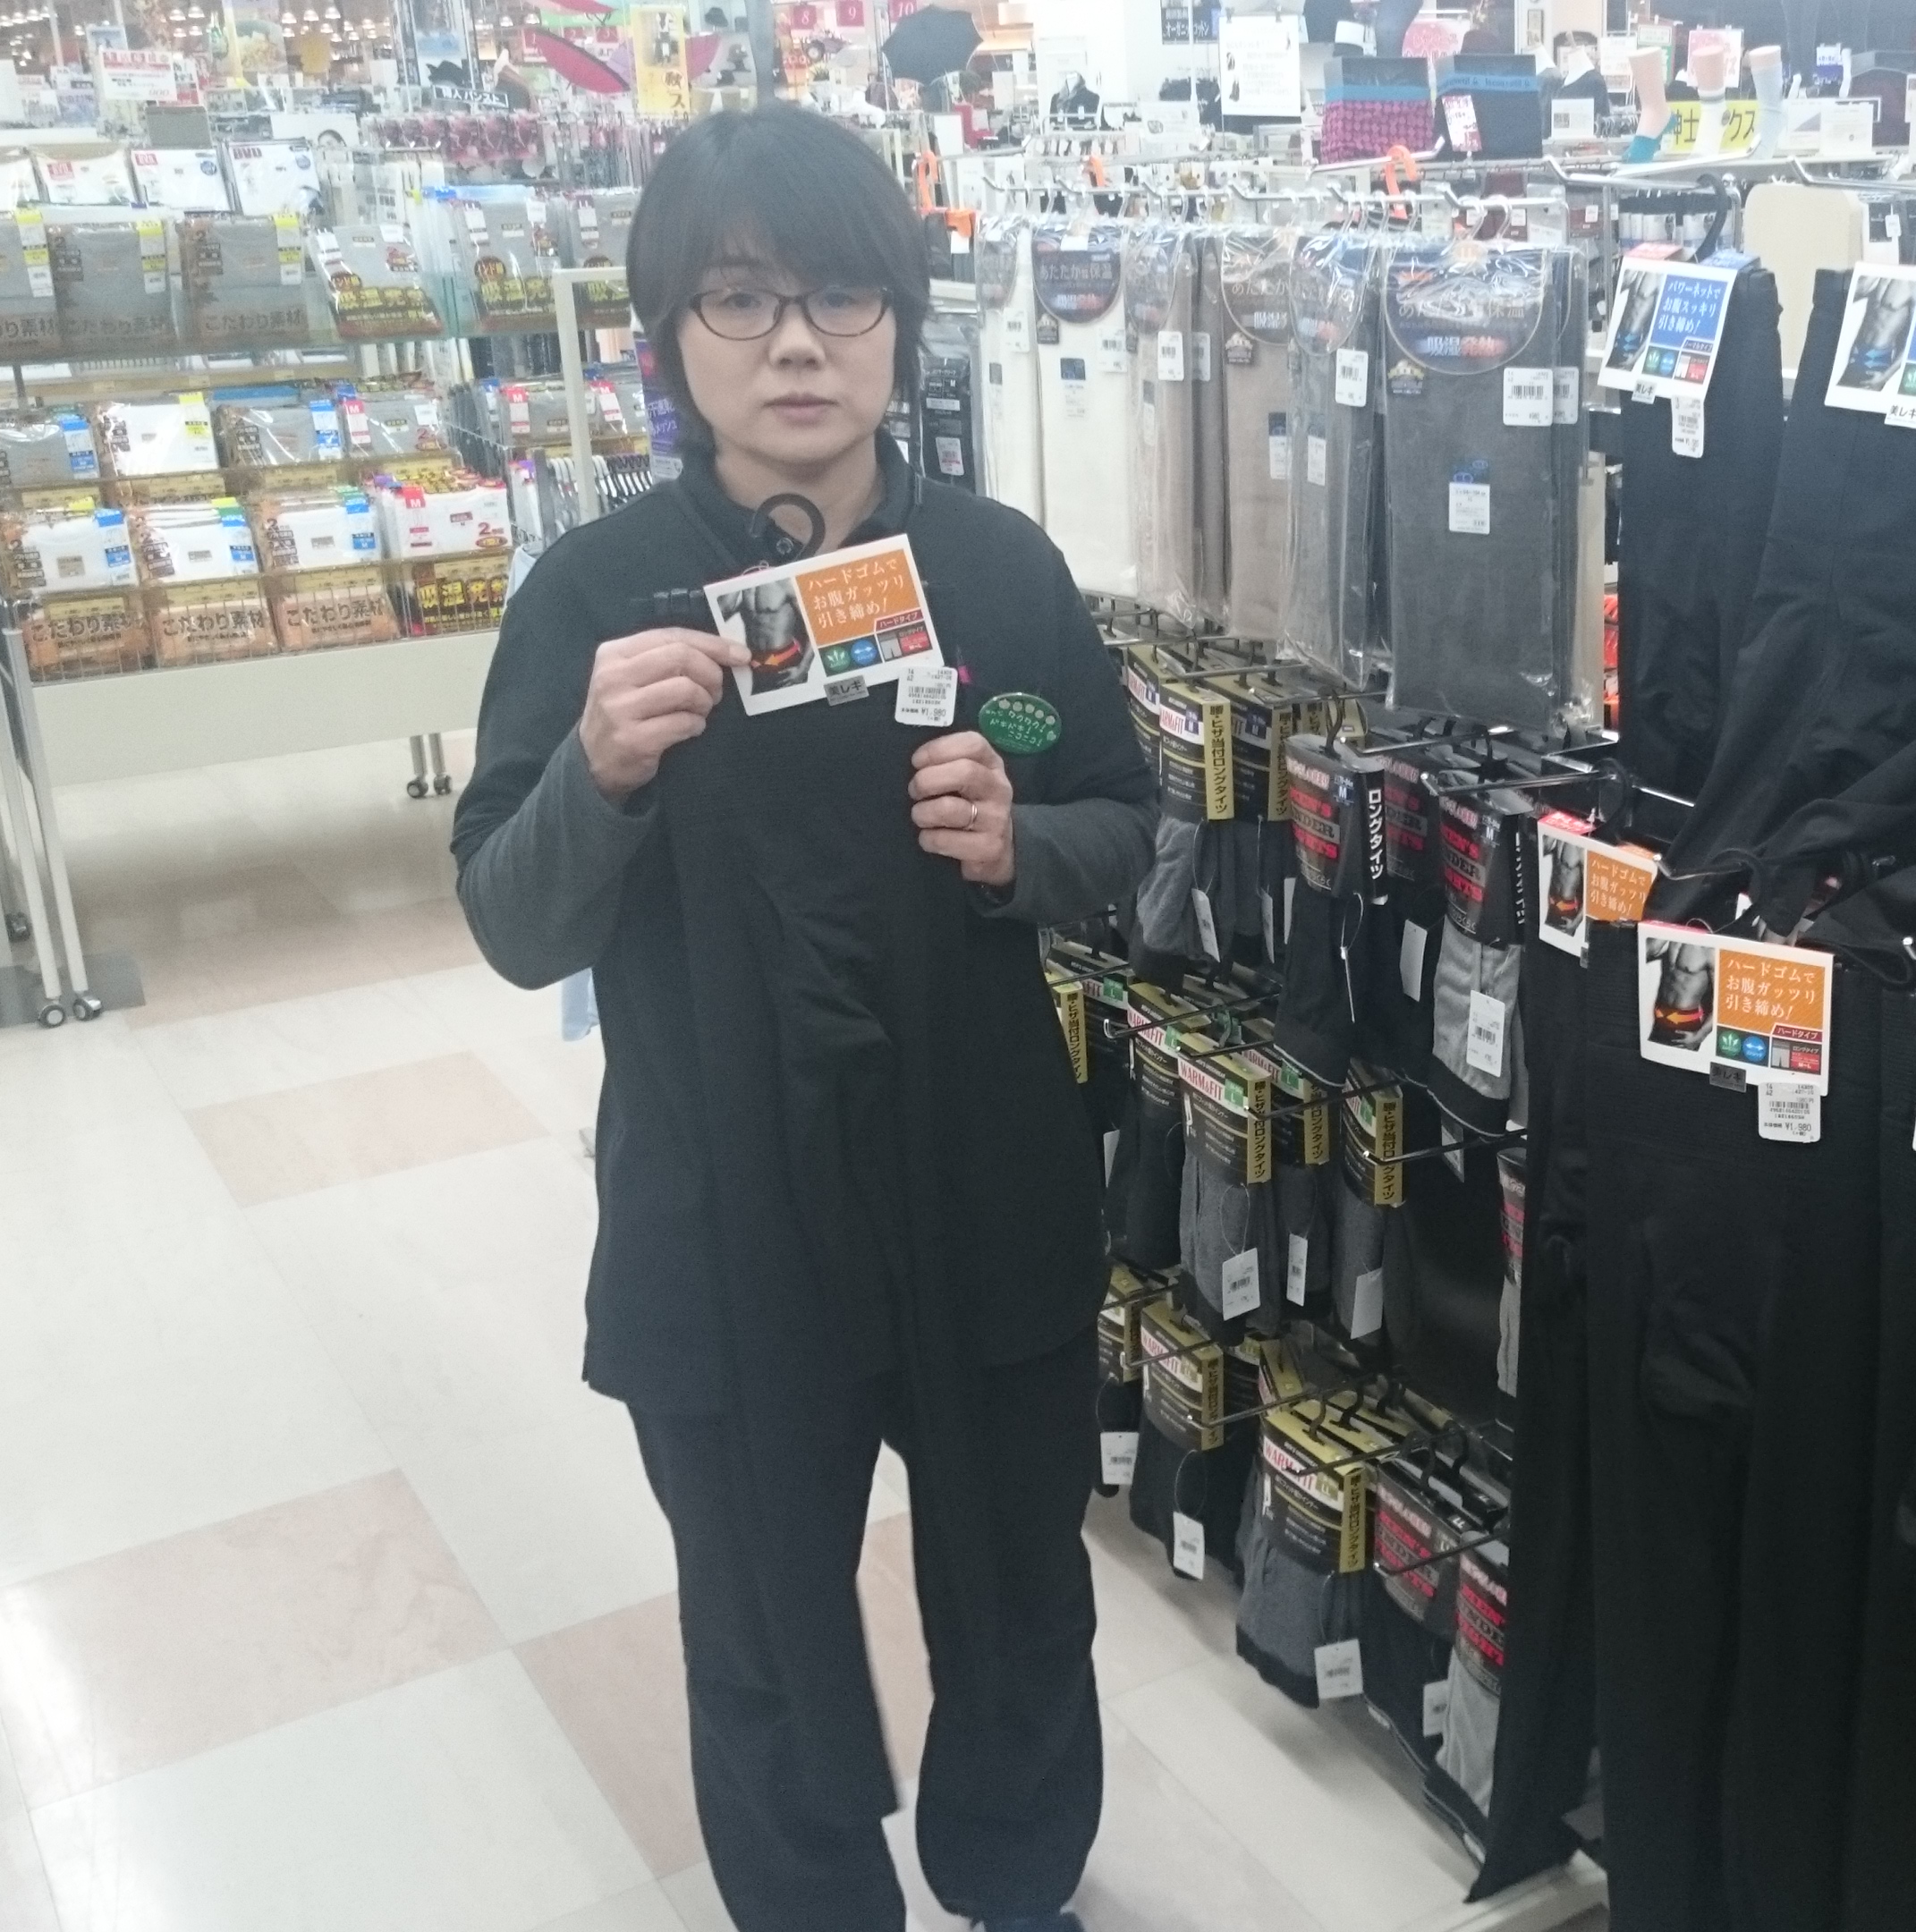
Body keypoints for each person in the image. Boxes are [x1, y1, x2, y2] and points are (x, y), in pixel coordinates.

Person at [451, 103, 1154, 1932]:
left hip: (980, 1184)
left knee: (1022, 1597)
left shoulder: (996, 572)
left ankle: (1017, 1880)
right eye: (741, 299)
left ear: (901, 324)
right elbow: (512, 920)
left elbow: (1125, 818)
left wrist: (1020, 843)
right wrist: (598, 772)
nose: (795, 345)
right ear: (668, 336)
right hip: (721, 1211)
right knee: (764, 1623)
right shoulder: (595, 598)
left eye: (841, 297)